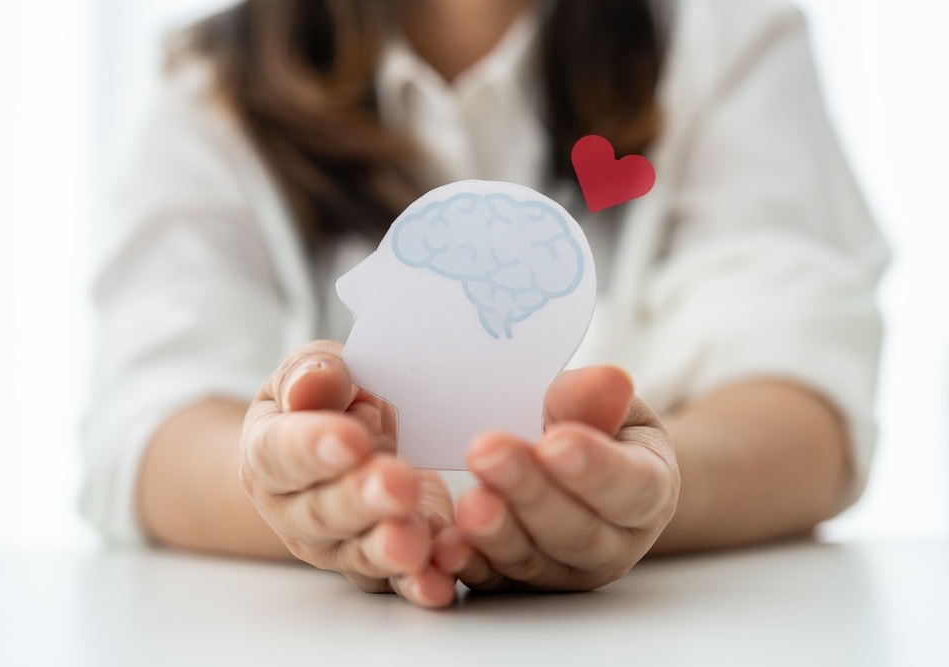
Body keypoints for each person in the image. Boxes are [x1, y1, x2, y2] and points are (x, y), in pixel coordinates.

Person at [80, 0, 888, 608]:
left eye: (400, 288)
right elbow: (148, 416)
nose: (356, 296)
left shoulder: (726, 33)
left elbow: (804, 384)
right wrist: (300, 487)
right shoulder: (210, 84)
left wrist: (637, 492)